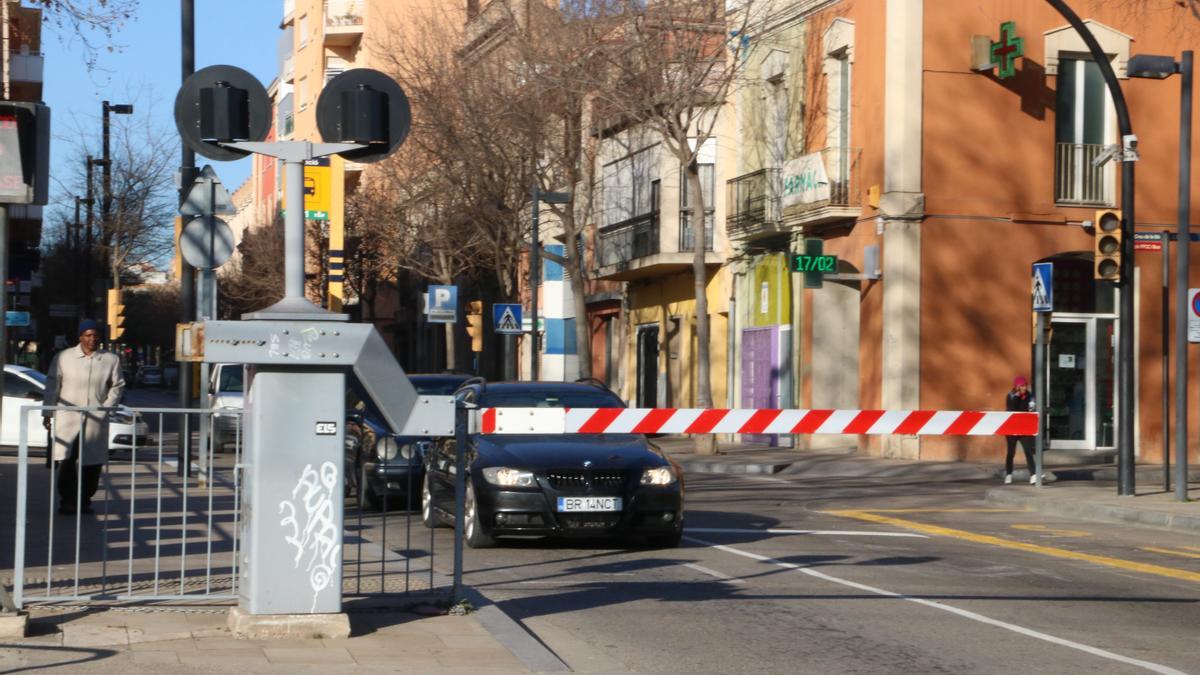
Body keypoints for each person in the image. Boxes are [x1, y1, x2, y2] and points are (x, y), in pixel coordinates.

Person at [42, 320, 126, 515]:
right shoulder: (63, 357)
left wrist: (106, 407)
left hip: (96, 418)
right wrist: (47, 412)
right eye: (88, 335)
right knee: (66, 460)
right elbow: (53, 385)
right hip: (68, 417)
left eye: (95, 335)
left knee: (92, 462)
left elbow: (118, 385)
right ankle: (67, 501)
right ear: (80, 337)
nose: (92, 339)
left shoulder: (110, 359)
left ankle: (85, 500)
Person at [1004, 375, 1038, 484]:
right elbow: (1011, 409)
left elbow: (1031, 409)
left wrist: (1031, 404)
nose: (1024, 388)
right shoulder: (1011, 395)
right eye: (1022, 386)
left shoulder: (1030, 396)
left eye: (1025, 385)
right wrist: (1017, 397)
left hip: (1024, 428)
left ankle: (1033, 474)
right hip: (1012, 427)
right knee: (1011, 452)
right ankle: (1009, 474)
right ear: (1017, 386)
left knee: (1028, 451)